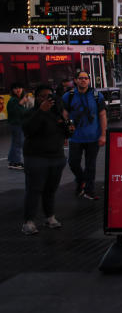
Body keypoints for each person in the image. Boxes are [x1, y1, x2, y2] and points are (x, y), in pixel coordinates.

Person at [20, 85, 72, 235]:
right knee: (34, 190)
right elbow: (28, 130)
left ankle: (50, 217)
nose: (46, 99)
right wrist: (41, 111)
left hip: (56, 157)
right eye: (42, 96)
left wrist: (69, 129)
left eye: (49, 96)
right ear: (36, 98)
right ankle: (28, 222)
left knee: (50, 190)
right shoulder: (31, 113)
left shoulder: (57, 114)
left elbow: (65, 134)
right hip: (36, 158)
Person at [62, 70, 107, 200]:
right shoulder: (68, 96)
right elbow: (64, 115)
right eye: (80, 78)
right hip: (75, 137)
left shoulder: (97, 96)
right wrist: (65, 134)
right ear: (75, 80)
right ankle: (82, 180)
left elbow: (102, 115)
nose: (83, 80)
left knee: (90, 165)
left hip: (93, 137)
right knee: (73, 162)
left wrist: (103, 134)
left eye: (86, 78)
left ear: (89, 80)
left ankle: (89, 190)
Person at [7, 82, 29, 170]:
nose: (18, 90)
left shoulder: (16, 99)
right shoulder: (14, 100)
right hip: (16, 124)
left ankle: (13, 161)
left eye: (20, 88)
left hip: (16, 124)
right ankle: (15, 162)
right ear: (12, 90)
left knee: (15, 142)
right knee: (18, 143)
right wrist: (21, 104)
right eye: (15, 88)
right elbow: (17, 112)